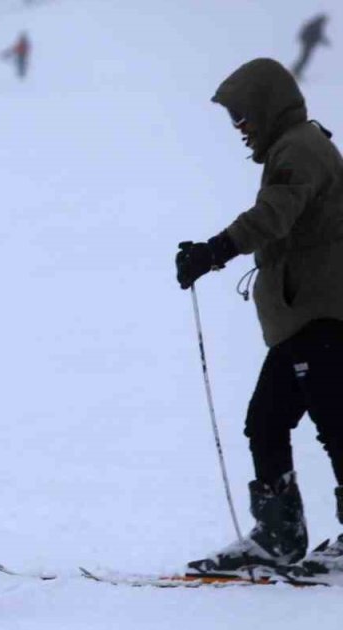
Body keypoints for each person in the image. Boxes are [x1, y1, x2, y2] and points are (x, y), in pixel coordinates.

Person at [177, 58, 343, 580]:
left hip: (322, 315)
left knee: (334, 425)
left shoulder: (299, 149)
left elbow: (275, 214)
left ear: (268, 107)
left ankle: (284, 535)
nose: (241, 128)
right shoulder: (296, 146)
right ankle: (278, 535)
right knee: (267, 421)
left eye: (243, 116)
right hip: (306, 317)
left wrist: (214, 250)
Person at [291, 14, 330, 80]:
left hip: (308, 44)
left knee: (303, 58)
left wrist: (325, 42)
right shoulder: (317, 25)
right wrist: (325, 42)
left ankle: (296, 71)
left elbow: (318, 36)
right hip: (308, 44)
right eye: (325, 21)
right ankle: (295, 72)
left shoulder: (315, 24)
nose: (326, 23)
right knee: (304, 59)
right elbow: (318, 36)